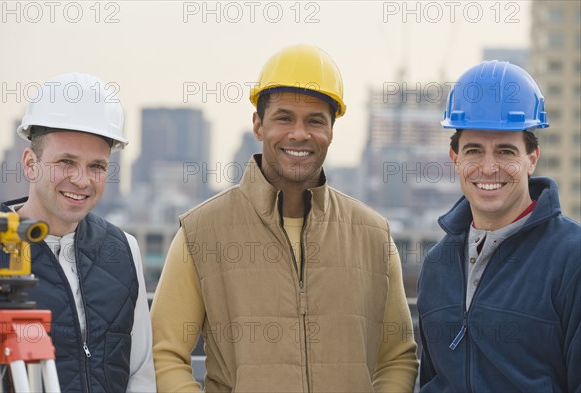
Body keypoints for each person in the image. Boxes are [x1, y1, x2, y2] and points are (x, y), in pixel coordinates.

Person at [150, 44, 418, 392]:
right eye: (284, 118)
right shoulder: (201, 233)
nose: (299, 134)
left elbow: (397, 357)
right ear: (258, 125)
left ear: (332, 132)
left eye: (315, 121)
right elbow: (164, 355)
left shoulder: (373, 236)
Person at [0, 73, 156, 393]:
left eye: (97, 166)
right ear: (30, 163)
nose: (82, 180)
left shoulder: (123, 249)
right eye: (66, 161)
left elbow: (140, 373)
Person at [417, 61, 581, 392]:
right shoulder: (437, 263)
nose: (489, 168)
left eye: (505, 151)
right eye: (474, 151)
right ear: (455, 158)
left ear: (531, 158)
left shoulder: (572, 258)